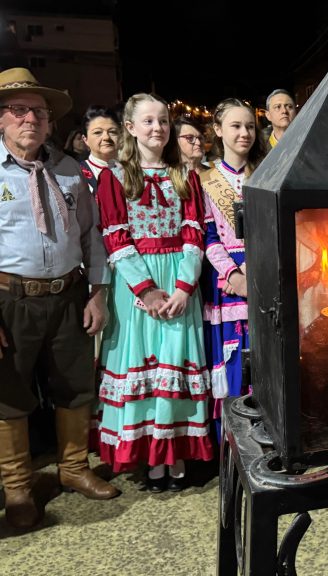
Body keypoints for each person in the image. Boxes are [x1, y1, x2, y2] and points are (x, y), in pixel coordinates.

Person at [0, 67, 120, 530]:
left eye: (39, 111)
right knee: (9, 394)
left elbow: (92, 236)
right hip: (11, 300)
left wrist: (97, 292)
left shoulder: (68, 170)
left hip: (69, 294)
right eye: (18, 110)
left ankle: (73, 469)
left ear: (50, 123)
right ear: (2, 119)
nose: (30, 118)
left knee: (74, 385)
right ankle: (17, 487)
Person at [96, 93, 213, 492]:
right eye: (147, 121)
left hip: (179, 277)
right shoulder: (114, 177)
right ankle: (149, 455)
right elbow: (116, 237)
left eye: (163, 121)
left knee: (174, 359)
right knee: (143, 363)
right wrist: (147, 292)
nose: (157, 128)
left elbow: (194, 232)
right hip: (137, 286)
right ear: (129, 127)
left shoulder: (184, 175)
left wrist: (183, 289)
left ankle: (176, 452)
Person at [199, 98, 264, 438]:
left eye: (250, 126)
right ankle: (232, 438)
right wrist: (233, 275)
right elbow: (208, 235)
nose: (244, 133)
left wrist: (256, 270)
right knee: (232, 356)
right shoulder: (205, 180)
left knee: (264, 354)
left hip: (263, 271)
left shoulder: (266, 173)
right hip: (227, 281)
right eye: (236, 126)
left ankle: (266, 430)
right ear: (219, 131)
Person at [79, 105, 121, 193]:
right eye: (98, 132)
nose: (106, 137)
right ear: (85, 139)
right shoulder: (78, 174)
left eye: (112, 132)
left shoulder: (132, 170)